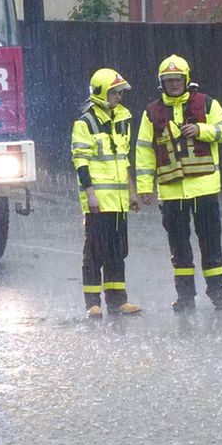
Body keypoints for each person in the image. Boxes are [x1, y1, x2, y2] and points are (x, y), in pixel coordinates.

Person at [136, 54, 222, 312]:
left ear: (186, 79)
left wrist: (202, 130)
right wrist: (145, 187)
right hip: (171, 192)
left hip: (204, 189)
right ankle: (185, 297)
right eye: (169, 80)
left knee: (210, 243)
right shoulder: (151, 112)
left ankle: (217, 294)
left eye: (178, 79)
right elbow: (144, 150)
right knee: (179, 248)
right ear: (162, 83)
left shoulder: (207, 103)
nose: (174, 84)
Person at [72, 68, 143, 318]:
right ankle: (93, 303)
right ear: (102, 93)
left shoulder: (123, 120)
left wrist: (132, 193)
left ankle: (117, 300)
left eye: (120, 93)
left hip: (119, 201)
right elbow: (80, 162)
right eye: (115, 93)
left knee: (117, 251)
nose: (119, 98)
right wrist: (90, 194)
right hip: (98, 202)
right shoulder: (85, 123)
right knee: (94, 253)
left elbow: (124, 160)